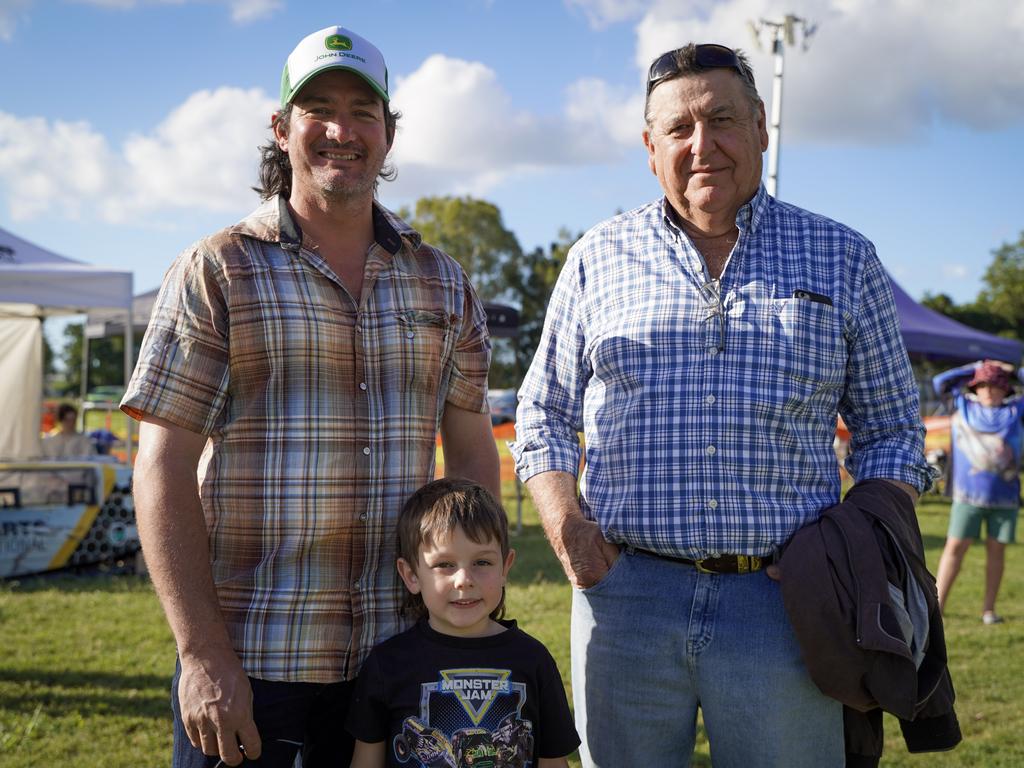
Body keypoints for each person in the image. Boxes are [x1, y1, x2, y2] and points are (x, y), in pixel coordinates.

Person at [512, 42, 934, 767]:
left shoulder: (842, 256)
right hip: (625, 598)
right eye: (679, 129)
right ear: (650, 147)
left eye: (723, 120)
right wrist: (568, 531)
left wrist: (850, 545)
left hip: (784, 606)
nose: (702, 145)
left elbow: (894, 429)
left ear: (762, 127)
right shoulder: (597, 257)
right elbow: (541, 411)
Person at [122, 25, 499, 768]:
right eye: (318, 108)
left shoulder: (442, 281)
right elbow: (161, 468)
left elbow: (471, 455)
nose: (341, 130)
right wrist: (199, 654)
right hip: (250, 665)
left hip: (398, 660)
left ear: (389, 132)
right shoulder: (218, 270)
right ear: (281, 127)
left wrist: (463, 614)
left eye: (363, 111)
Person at [347, 478, 580, 768]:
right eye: (445, 565)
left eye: (482, 563)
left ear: (506, 567)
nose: (464, 580)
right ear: (411, 575)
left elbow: (554, 761)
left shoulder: (534, 660)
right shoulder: (386, 665)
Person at [933, 360, 1021, 624]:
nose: (988, 390)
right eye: (982, 384)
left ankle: (988, 611)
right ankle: (937, 607)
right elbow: (940, 382)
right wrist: (977, 366)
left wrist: (1012, 371)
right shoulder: (962, 406)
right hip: (966, 497)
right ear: (975, 387)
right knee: (954, 548)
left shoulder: (1017, 410)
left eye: (994, 384)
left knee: (997, 552)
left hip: (1005, 498)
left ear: (1005, 389)